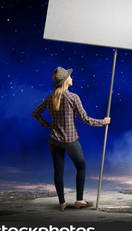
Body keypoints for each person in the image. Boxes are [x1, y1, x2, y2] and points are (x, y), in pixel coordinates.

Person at [32, 66, 111, 212]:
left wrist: (49, 126)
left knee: (58, 171)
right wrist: (104, 122)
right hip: (70, 140)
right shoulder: (73, 97)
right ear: (65, 81)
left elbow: (35, 113)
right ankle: (79, 200)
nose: (71, 77)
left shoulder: (50, 98)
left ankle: (62, 202)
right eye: (69, 76)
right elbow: (86, 119)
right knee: (81, 166)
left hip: (54, 141)